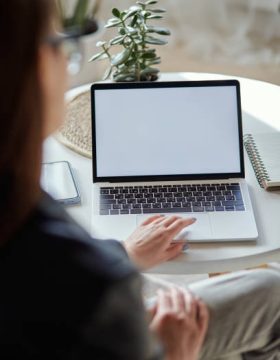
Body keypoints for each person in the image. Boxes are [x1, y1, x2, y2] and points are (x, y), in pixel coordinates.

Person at [0, 1, 279, 359]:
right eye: (61, 46)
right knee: (273, 294)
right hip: (118, 331)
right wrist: (176, 352)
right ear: (33, 68)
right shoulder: (101, 285)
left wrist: (124, 255)